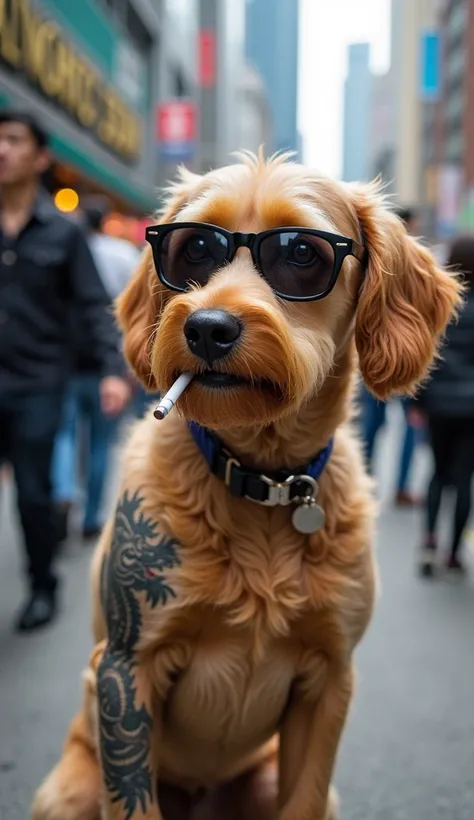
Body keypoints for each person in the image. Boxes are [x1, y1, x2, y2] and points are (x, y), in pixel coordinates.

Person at [0, 109, 129, 631]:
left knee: (34, 491)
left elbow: (93, 305)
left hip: (37, 383)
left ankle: (41, 585)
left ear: (40, 157)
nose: (2, 150)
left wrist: (113, 370)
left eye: (12, 140)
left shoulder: (64, 231)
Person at [52, 200, 139, 542]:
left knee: (65, 434)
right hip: (110, 363)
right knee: (102, 443)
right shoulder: (121, 254)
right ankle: (91, 518)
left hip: (65, 362)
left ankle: (63, 493)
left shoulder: (60, 249)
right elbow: (136, 309)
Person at [414, 236, 474, 578]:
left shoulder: (444, 304)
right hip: (472, 411)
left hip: (439, 405)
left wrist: (419, 400)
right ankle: (453, 554)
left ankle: (428, 544)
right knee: (464, 479)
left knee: (437, 474)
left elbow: (427, 357)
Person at [360, 206, 420, 504]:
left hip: (375, 357)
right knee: (402, 428)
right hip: (403, 360)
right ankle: (397, 485)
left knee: (373, 424)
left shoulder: (377, 257)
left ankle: (365, 477)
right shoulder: (410, 262)